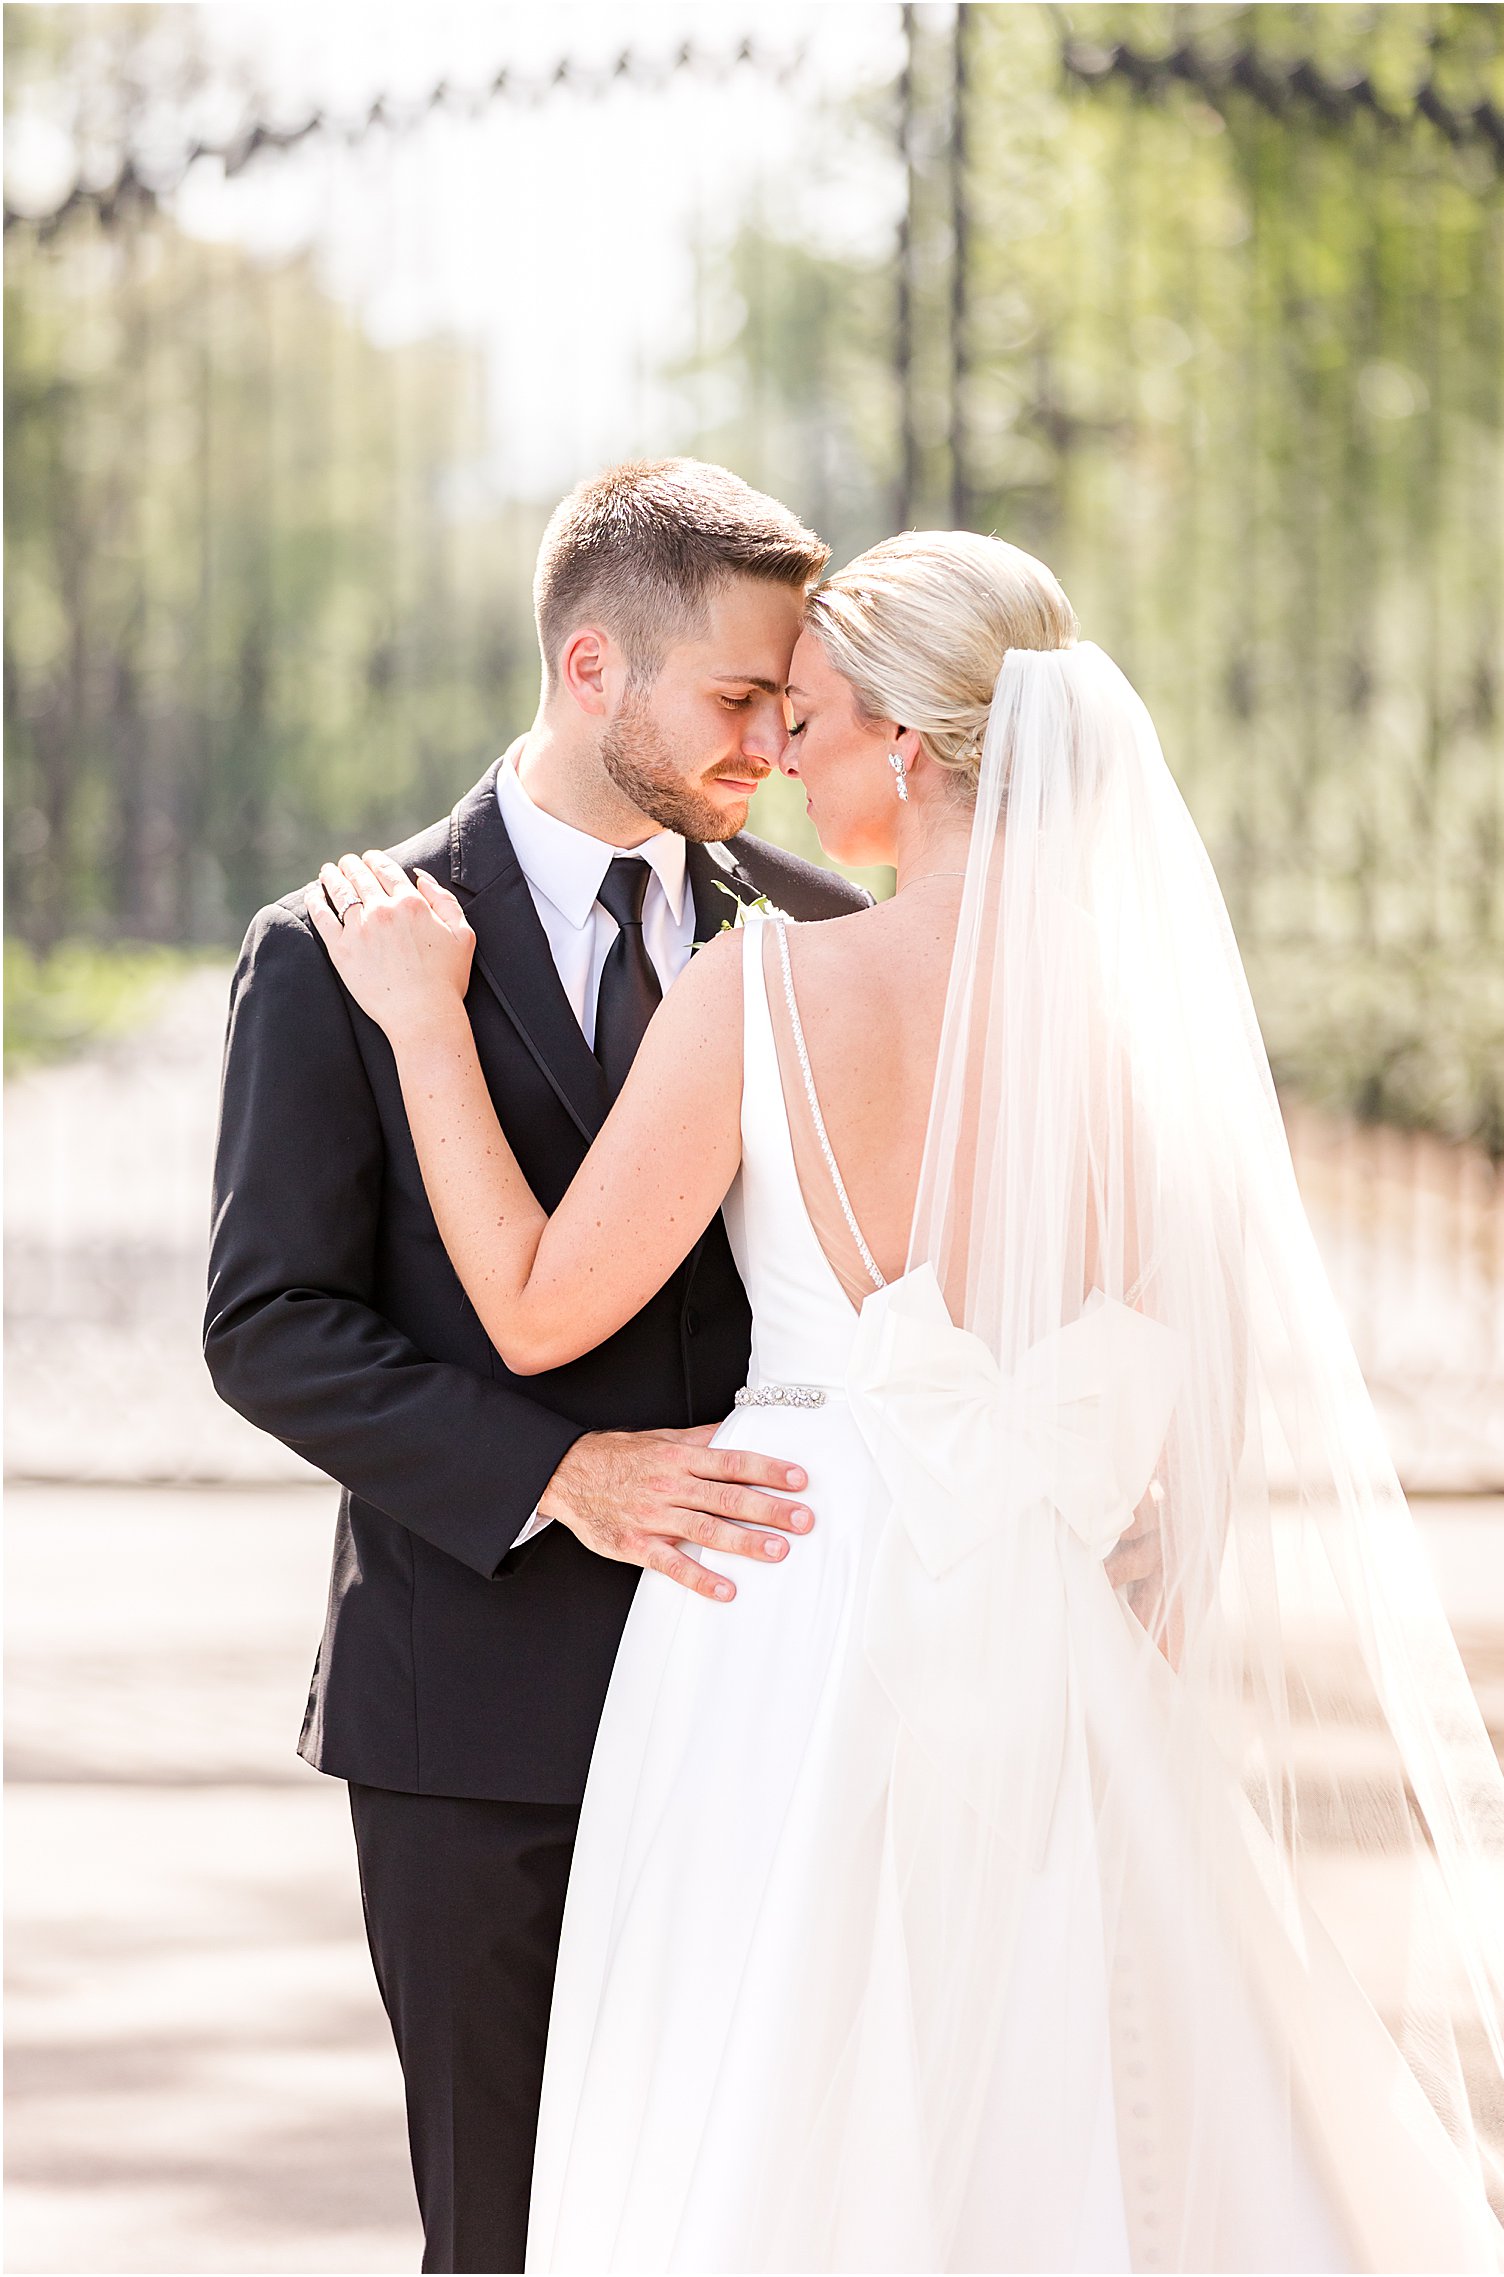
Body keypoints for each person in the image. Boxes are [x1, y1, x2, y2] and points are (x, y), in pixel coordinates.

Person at [308, 529, 1504, 2275]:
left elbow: (534, 1303)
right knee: (1060, 2110)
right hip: (1050, 1619)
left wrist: (425, 1022)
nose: (783, 753)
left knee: (764, 2094)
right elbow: (1203, 1405)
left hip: (779, 1603)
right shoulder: (1139, 1027)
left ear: (909, 746)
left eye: (808, 714)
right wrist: (1129, 1605)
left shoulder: (765, 988)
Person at [204, 460, 884, 2274]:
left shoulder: (823, 940)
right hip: (470, 1716)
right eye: (742, 696)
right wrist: (557, 1477)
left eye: (790, 696)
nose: (778, 733)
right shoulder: (339, 950)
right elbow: (268, 1325)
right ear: (596, 670)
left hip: (767, 1679)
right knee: (500, 2234)